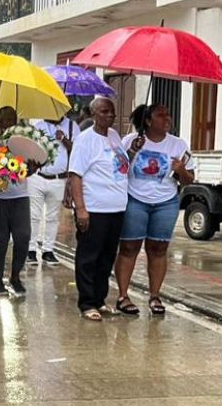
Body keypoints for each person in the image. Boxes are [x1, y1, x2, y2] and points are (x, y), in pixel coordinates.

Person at [113, 103, 195, 316]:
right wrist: (132, 151)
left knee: (158, 248)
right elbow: (117, 169)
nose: (167, 118)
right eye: (160, 115)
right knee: (129, 247)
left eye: (168, 114)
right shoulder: (131, 140)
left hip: (166, 202)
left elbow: (188, 180)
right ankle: (123, 296)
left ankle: (155, 296)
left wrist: (181, 170)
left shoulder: (178, 144)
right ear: (148, 121)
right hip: (135, 199)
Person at [66, 97, 128, 321]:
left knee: (106, 257)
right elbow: (75, 175)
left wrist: (132, 151)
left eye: (112, 111)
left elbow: (119, 165)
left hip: (116, 208)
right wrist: (81, 209)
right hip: (94, 208)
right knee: (88, 257)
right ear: (93, 114)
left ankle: (100, 299)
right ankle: (87, 302)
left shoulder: (114, 136)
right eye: (104, 111)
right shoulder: (85, 140)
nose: (110, 115)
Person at [0, 106, 32, 295]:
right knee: (0, 241)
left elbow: (29, 168)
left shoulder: (23, 142)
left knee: (23, 237)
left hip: (20, 196)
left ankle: (15, 275)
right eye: (4, 121)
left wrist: (32, 168)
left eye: (11, 120)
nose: (8, 124)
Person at [29, 112, 80, 266]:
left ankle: (48, 250)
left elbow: (78, 151)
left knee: (52, 217)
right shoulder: (39, 126)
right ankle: (31, 249)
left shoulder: (71, 126)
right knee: (34, 215)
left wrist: (63, 139)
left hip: (59, 179)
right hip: (38, 177)